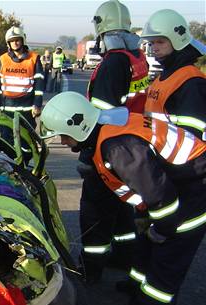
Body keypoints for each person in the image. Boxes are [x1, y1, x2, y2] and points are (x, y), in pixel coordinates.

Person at [41, 91, 206, 305]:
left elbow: (160, 197)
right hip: (180, 186)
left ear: (77, 125)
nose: (63, 141)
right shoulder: (107, 128)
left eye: (64, 135)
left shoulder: (117, 147)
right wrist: (147, 224)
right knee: (145, 257)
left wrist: (160, 230)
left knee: (162, 272)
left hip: (193, 194)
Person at [77, 0, 150, 284]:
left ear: (101, 27)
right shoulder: (136, 57)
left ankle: (91, 269)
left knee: (95, 211)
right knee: (122, 205)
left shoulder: (114, 62)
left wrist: (86, 152)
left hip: (107, 149)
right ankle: (123, 256)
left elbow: (101, 113)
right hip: (131, 147)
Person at [139, 9, 206, 141]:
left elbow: (192, 140)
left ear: (177, 41)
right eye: (152, 43)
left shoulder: (191, 82)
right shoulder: (164, 76)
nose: (154, 48)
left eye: (160, 42)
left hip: (175, 159)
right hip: (157, 152)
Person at [0, 26, 45, 149]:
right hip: (7, 109)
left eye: (17, 40)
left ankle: (24, 166)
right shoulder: (3, 59)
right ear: (8, 43)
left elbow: (39, 86)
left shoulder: (34, 59)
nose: (15, 43)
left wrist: (37, 105)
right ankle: (10, 167)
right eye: (12, 40)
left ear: (22, 41)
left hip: (26, 110)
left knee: (26, 143)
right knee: (7, 142)